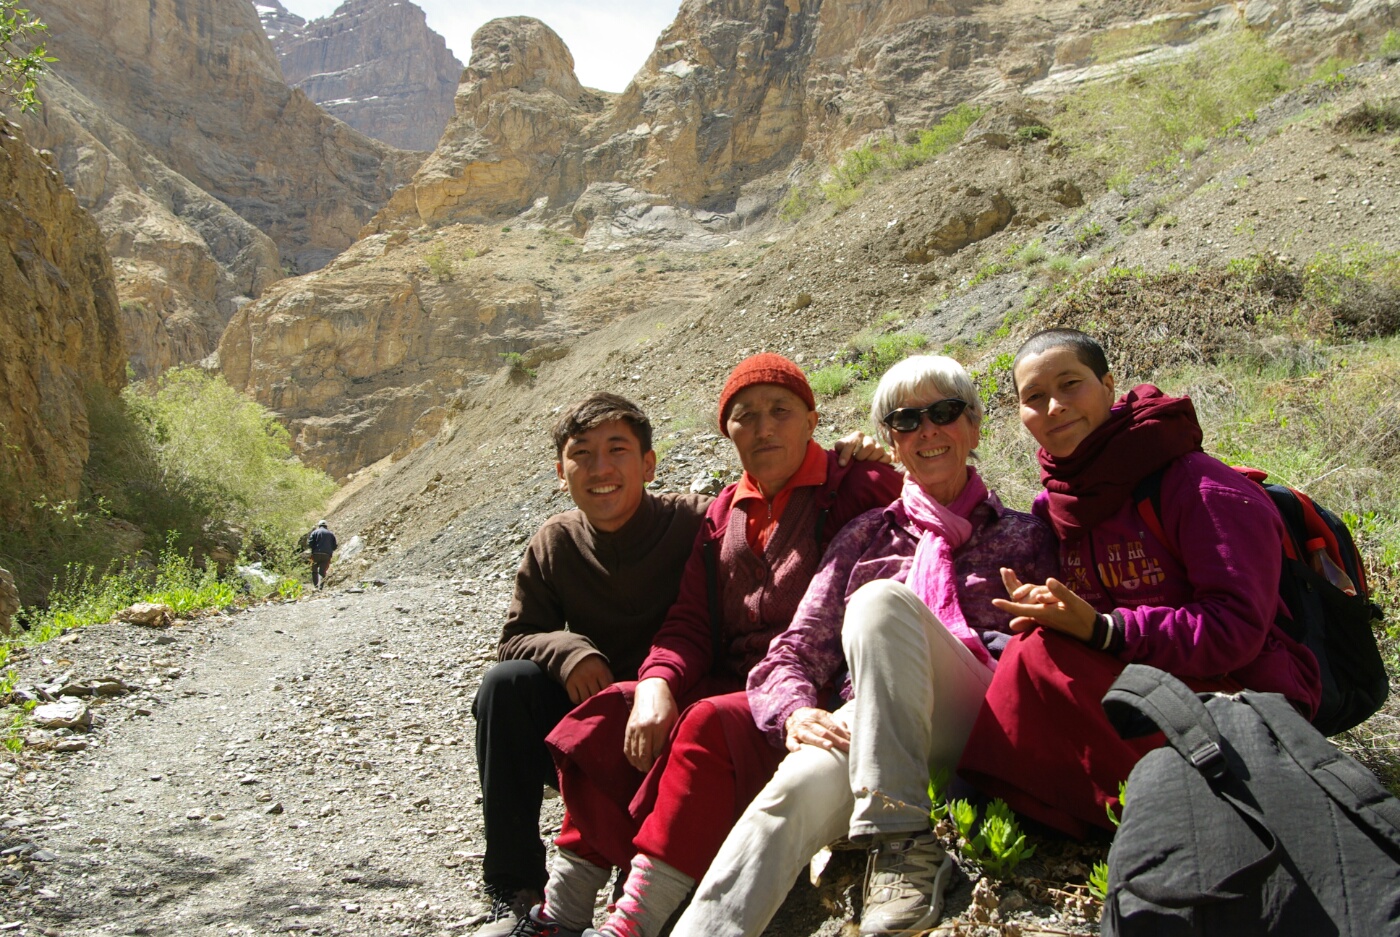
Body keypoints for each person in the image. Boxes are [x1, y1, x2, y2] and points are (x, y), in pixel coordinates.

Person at [473, 390, 887, 937]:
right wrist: (571, 653)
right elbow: (516, 637)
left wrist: (854, 458)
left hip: (695, 691)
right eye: (582, 454)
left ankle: (635, 894)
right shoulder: (555, 542)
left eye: (617, 450)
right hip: (627, 694)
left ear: (648, 463)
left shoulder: (700, 521)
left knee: (680, 721)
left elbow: (783, 498)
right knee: (508, 687)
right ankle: (523, 892)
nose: (601, 469)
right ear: (560, 470)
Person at [671, 355, 1058, 937]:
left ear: (974, 428)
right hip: (877, 727)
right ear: (891, 444)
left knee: (879, 603)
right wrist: (796, 711)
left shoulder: (1027, 536)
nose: (926, 430)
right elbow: (795, 649)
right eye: (906, 421)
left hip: (981, 716)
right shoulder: (866, 535)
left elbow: (1060, 649)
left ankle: (900, 840)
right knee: (791, 790)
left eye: (944, 412)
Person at [957, 328, 1322, 837]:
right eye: (1034, 398)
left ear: (1108, 385)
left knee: (1036, 655)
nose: (1055, 407)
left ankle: (1191, 818)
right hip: (1146, 687)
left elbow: (1236, 630)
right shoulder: (1058, 509)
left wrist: (1106, 630)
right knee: (1030, 646)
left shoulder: (1198, 486)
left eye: (1070, 384)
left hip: (1243, 694)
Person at [307, 520, 337, 590]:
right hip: (326, 555)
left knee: (314, 571)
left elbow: (310, 544)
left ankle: (315, 586)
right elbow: (334, 546)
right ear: (326, 526)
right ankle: (321, 587)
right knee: (322, 571)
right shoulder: (331, 534)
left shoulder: (314, 532)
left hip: (315, 554)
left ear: (319, 525)